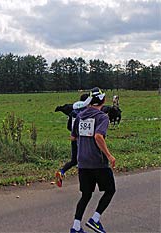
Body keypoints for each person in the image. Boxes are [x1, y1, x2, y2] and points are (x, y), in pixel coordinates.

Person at [70, 87, 116, 233]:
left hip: (83, 163)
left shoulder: (80, 116)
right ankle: (95, 219)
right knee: (110, 190)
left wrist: (81, 149)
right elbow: (98, 136)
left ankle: (76, 227)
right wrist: (109, 155)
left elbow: (73, 137)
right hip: (98, 162)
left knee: (86, 194)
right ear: (103, 100)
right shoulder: (102, 117)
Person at [55, 93, 89, 187]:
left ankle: (61, 172)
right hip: (84, 139)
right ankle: (86, 182)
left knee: (74, 160)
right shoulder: (87, 112)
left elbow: (69, 127)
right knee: (85, 160)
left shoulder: (73, 112)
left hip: (74, 138)